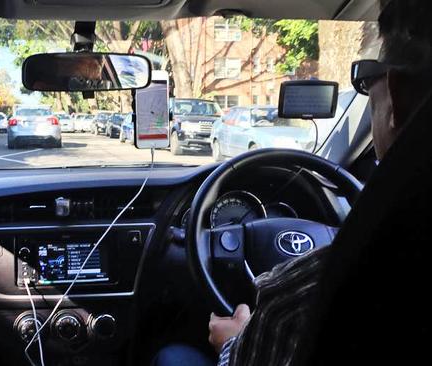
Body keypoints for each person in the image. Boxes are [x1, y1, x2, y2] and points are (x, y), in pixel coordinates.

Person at [153, 0, 432, 365]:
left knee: (174, 355)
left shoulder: (300, 294)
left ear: (398, 94)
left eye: (366, 81)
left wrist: (233, 341)